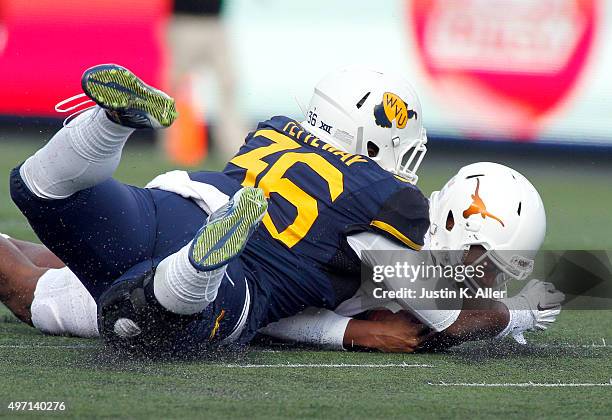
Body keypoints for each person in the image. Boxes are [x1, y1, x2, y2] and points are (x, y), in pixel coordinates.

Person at [7, 63, 432, 354]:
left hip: (170, 203)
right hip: (235, 280)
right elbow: (457, 311)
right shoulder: (385, 201)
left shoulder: (274, 130)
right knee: (140, 322)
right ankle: (196, 268)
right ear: (374, 138)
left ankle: (108, 125)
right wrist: (350, 332)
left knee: (39, 192)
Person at [1, 163, 565, 352]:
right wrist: (343, 334)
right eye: (486, 260)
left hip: (200, 218)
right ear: (458, 230)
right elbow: (459, 321)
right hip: (214, 272)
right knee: (28, 291)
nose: (486, 277)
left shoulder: (413, 236)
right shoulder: (395, 246)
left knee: (57, 256)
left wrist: (520, 304)